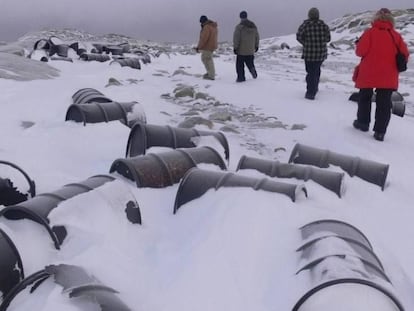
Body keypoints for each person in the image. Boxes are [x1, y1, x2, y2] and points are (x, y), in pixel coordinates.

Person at [352, 8, 409, 141]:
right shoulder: (396, 36)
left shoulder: (369, 33)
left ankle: (363, 123)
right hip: (388, 76)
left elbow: (360, 52)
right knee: (384, 104)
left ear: (375, 18)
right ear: (391, 20)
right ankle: (380, 132)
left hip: (368, 73)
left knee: (365, 98)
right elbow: (405, 55)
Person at [296, 7, 331, 100]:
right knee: (316, 70)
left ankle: (310, 92)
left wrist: (305, 43)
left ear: (309, 15)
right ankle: (315, 87)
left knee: (310, 72)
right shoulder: (323, 25)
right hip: (321, 54)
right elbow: (328, 38)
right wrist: (321, 42)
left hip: (309, 53)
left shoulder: (305, 25)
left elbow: (298, 36)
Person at [233, 10, 260, 82]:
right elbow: (257, 36)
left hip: (241, 50)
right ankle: (252, 69)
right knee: (250, 62)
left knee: (240, 65)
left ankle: (241, 78)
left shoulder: (239, 27)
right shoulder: (253, 26)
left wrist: (235, 47)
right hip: (250, 50)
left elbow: (236, 38)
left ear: (240, 17)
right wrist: (256, 46)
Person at [195, 15, 218, 80]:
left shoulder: (207, 27)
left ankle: (211, 75)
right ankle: (210, 73)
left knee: (207, 59)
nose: (201, 24)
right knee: (207, 59)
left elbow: (204, 38)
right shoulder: (213, 26)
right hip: (212, 45)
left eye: (201, 22)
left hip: (207, 46)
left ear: (203, 21)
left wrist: (199, 47)